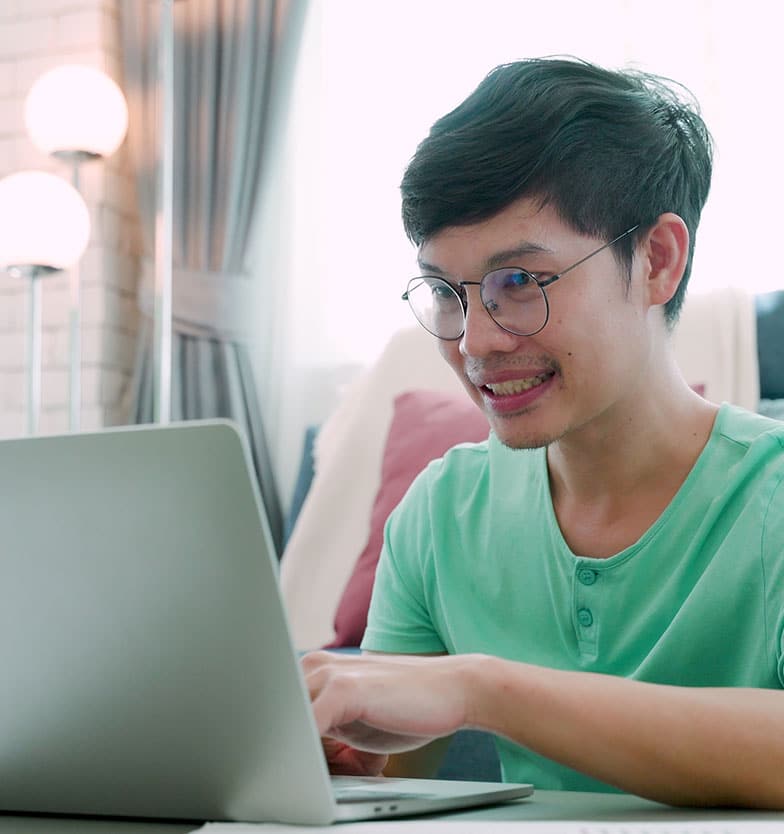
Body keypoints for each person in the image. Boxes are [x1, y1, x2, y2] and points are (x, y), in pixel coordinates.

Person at [302, 56, 784, 808]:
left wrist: (482, 689)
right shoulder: (440, 514)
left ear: (656, 261)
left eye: (519, 283)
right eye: (445, 292)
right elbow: (388, 789)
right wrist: (324, 753)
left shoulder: (771, 498)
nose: (474, 343)